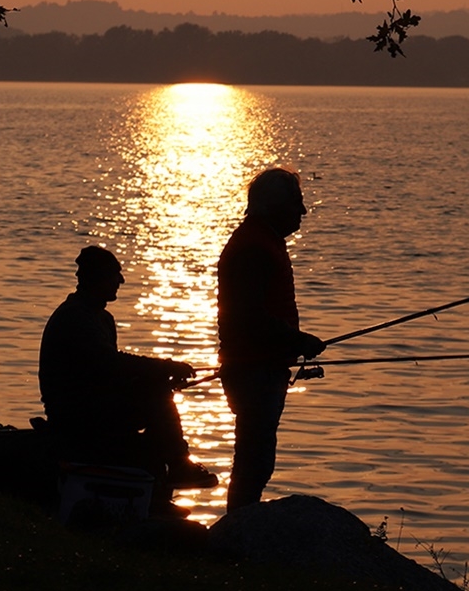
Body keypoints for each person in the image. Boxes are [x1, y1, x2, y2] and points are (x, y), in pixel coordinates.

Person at [38, 245, 218, 490]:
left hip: (90, 401)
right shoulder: (75, 317)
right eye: (115, 274)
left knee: (155, 389)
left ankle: (161, 486)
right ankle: (177, 464)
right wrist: (163, 368)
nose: (121, 281)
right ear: (97, 277)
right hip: (74, 410)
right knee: (155, 392)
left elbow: (109, 371)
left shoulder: (99, 317)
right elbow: (110, 364)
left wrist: (160, 375)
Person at [216, 167, 325, 509]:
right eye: (297, 203)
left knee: (256, 459)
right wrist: (298, 340)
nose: (303, 211)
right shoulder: (254, 248)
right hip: (253, 370)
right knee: (254, 461)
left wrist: (293, 343)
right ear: (274, 206)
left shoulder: (263, 241)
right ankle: (236, 534)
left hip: (259, 366)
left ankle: (238, 529)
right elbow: (248, 316)